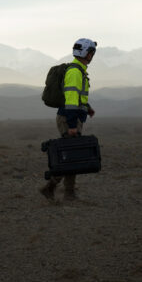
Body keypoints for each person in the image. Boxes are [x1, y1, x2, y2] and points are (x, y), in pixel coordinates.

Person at [40, 38, 97, 201]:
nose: (92, 55)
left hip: (71, 117)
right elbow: (71, 100)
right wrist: (72, 125)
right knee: (71, 156)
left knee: (72, 155)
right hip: (68, 118)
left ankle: (62, 191)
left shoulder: (78, 71)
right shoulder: (75, 72)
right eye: (91, 52)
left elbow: (76, 97)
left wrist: (87, 107)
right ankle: (60, 190)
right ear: (87, 53)